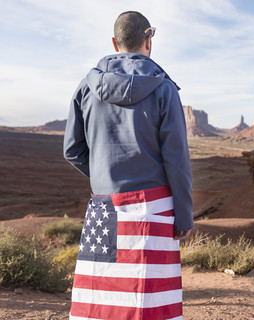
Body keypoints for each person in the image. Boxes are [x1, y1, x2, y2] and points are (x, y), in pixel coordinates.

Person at [64, 11, 192, 320]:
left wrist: (105, 174)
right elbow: (176, 159)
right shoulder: (163, 88)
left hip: (104, 206)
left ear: (114, 42)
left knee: (101, 300)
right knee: (148, 302)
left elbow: (72, 150)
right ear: (149, 40)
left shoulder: (86, 87)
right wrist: (184, 215)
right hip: (155, 208)